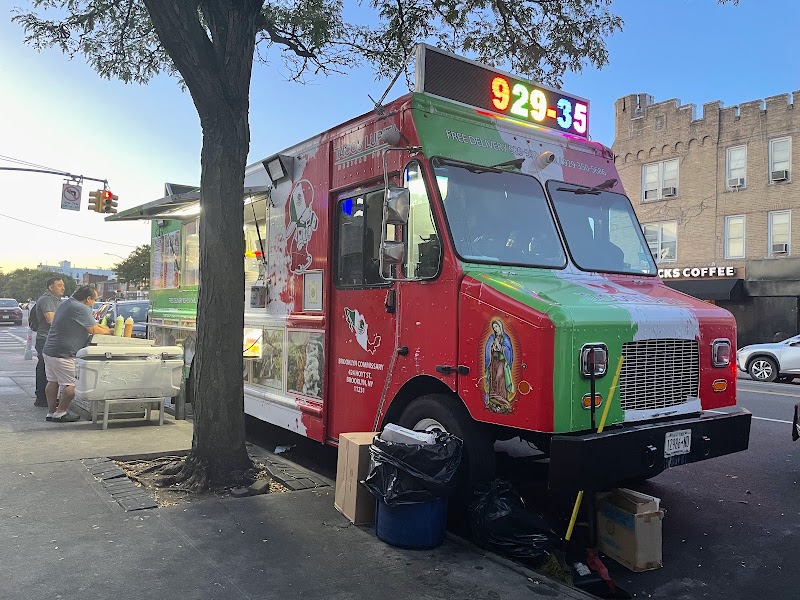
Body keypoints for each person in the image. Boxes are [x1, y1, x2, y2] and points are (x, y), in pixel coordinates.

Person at [42, 286, 112, 422]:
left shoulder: (66, 303)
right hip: (64, 353)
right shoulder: (81, 308)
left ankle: (51, 412)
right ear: (88, 299)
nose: (94, 302)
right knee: (73, 384)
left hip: (50, 350)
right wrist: (111, 332)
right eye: (95, 299)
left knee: (52, 382)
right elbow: (93, 329)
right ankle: (60, 413)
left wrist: (105, 329)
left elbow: (94, 325)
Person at [32, 277, 65, 407]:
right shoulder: (47, 299)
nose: (63, 288)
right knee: (45, 368)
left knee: (49, 369)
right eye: (59, 285)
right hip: (45, 339)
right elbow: (51, 320)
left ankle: (47, 398)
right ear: (51, 287)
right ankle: (41, 398)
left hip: (51, 338)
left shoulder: (56, 300)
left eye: (63, 285)